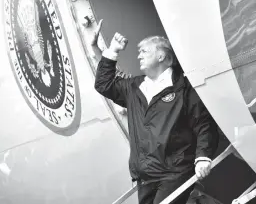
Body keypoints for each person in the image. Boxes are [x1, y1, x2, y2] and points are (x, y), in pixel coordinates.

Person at [92, 20, 219, 204]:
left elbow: (204, 124)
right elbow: (104, 85)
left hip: (175, 172)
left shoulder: (184, 88)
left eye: (144, 51)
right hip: (145, 175)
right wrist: (112, 51)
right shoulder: (134, 87)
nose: (139, 56)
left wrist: (202, 157)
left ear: (161, 56)